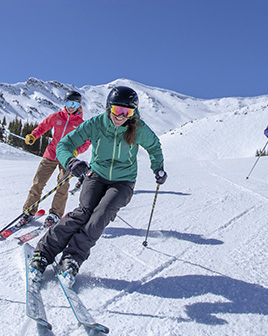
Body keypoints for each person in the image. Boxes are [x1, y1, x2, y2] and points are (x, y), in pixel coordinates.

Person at [29, 86, 166, 284]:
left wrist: (158, 167)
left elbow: (154, 146)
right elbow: (64, 145)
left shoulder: (137, 128)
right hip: (96, 175)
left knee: (98, 218)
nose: (121, 116)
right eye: (116, 110)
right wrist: (72, 162)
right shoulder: (96, 124)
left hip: (123, 181)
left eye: (127, 112)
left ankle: (72, 258)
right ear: (108, 107)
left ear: (134, 112)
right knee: (83, 213)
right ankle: (43, 252)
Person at [17, 91, 91, 228]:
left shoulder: (81, 124)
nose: (71, 107)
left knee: (62, 185)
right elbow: (42, 127)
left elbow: (86, 142)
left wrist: (77, 150)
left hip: (67, 157)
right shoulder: (56, 117)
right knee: (38, 182)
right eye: (68, 103)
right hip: (50, 154)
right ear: (65, 102)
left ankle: (55, 214)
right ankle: (28, 211)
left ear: (79, 105)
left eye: (74, 104)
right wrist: (33, 136)